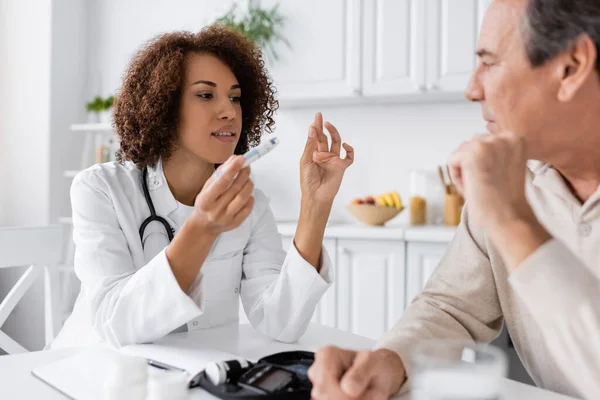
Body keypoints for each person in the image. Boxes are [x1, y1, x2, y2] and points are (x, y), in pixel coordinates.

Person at [307, 0, 600, 399]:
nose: (471, 88)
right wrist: (391, 361)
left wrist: (512, 220)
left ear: (572, 66)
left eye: (489, 62)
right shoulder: (516, 178)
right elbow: (452, 308)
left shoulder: (506, 196)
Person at [50, 25, 354, 349]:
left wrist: (315, 204)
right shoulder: (101, 189)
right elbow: (115, 326)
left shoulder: (251, 205)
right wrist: (203, 227)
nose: (229, 112)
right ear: (164, 105)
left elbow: (281, 323)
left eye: (235, 98)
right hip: (89, 374)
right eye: (206, 95)